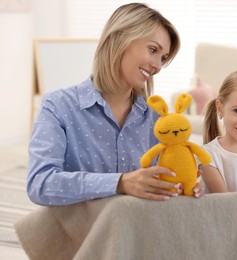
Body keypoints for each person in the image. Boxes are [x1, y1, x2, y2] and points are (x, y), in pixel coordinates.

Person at [27, 3, 204, 206]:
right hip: (80, 233)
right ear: (120, 39)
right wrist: (120, 183)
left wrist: (187, 186)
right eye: (153, 49)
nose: (157, 66)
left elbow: (163, 182)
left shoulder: (156, 119)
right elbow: (39, 184)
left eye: (162, 58)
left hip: (134, 230)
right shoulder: (58, 106)